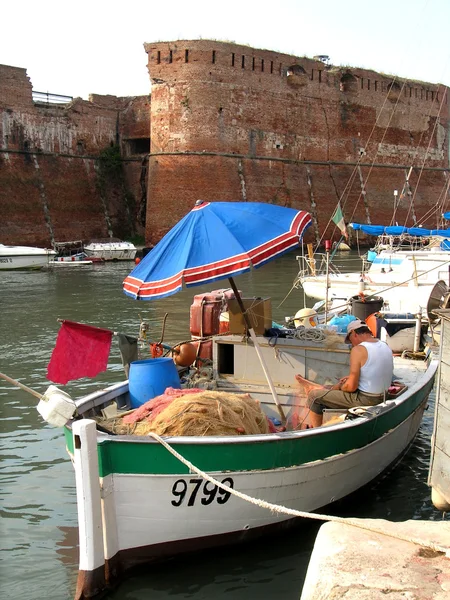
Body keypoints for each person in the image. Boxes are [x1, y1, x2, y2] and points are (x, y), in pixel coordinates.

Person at [295, 319, 394, 428]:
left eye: (350, 339)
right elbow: (376, 370)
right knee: (339, 384)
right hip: (383, 396)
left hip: (367, 399)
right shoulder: (384, 345)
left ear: (354, 334)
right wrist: (351, 378)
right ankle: (318, 387)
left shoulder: (358, 350)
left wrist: (341, 385)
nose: (351, 344)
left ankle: (315, 433)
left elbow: (351, 387)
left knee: (314, 397)